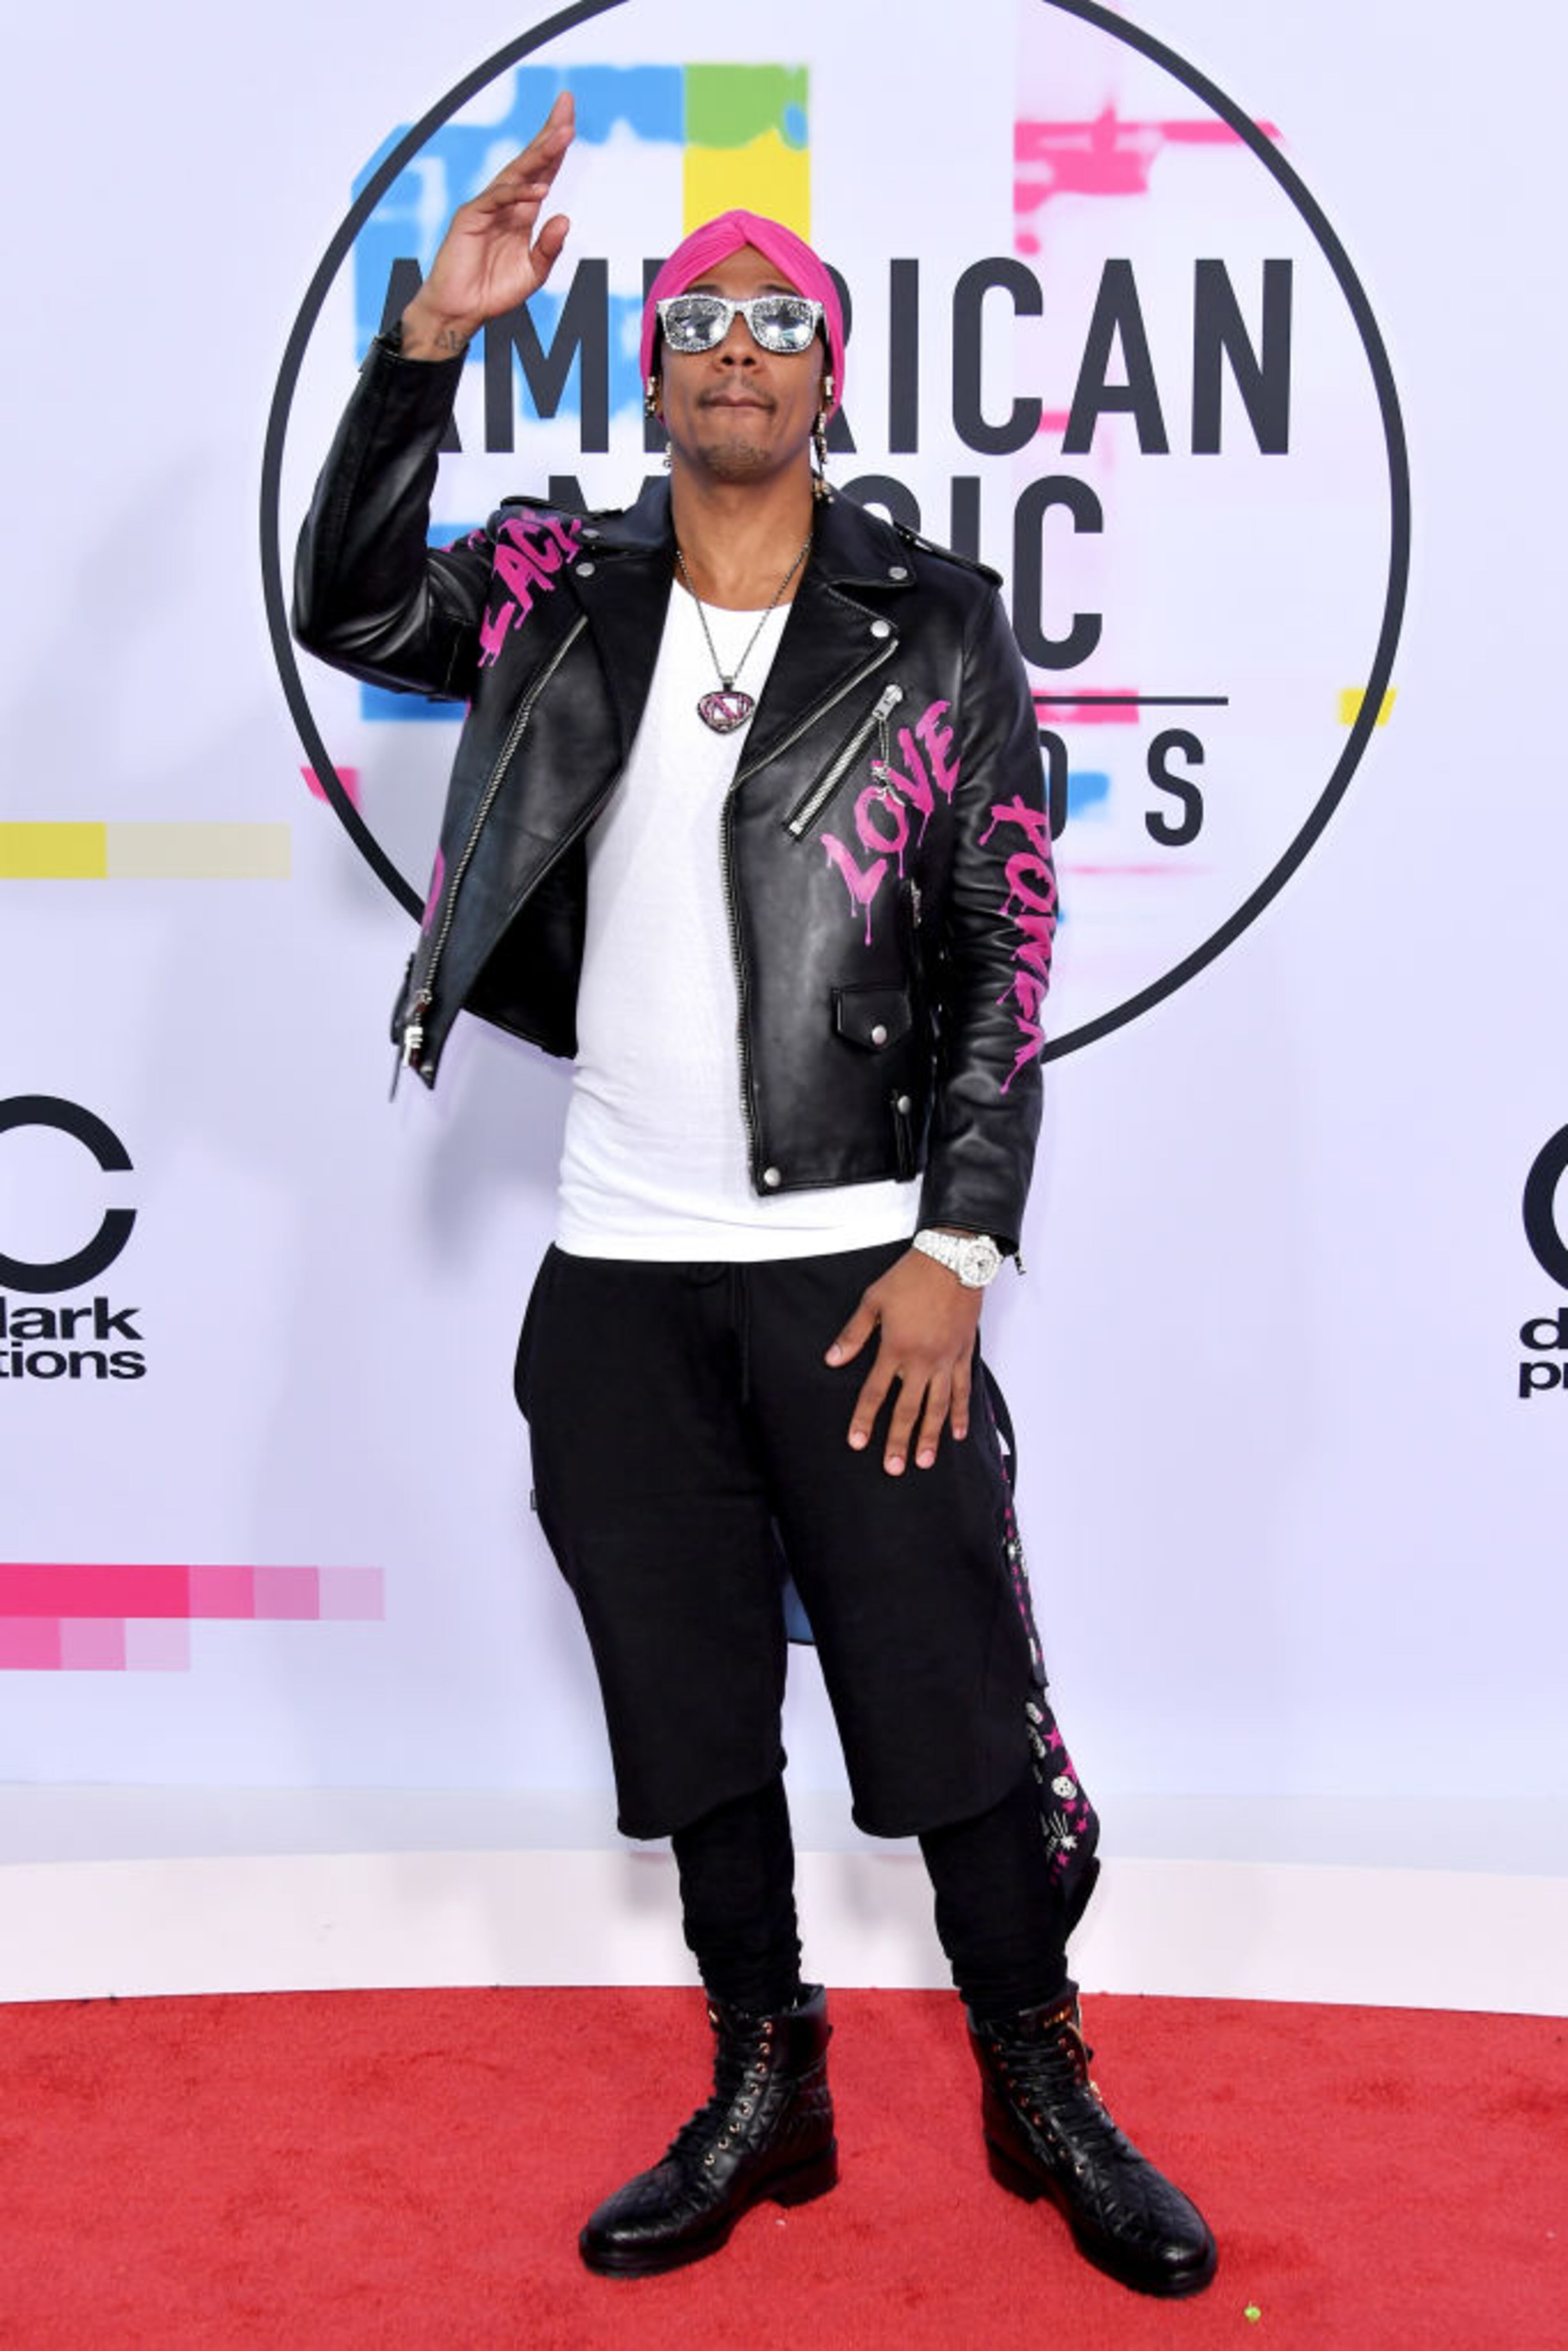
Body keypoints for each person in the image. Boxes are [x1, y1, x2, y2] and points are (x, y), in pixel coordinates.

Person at [294, 91, 1216, 2299]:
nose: (731, 347)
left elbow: (1005, 937)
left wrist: (956, 1244)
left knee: (949, 1699)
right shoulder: (553, 587)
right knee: (694, 1703)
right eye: (693, 317)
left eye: (770, 321)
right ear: (652, 376)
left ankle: (1039, 2078)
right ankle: (764, 2080)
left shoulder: (933, 622)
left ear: (826, 379)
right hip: (617, 1274)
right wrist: (424, 338)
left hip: (857, 1265)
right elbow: (345, 602)